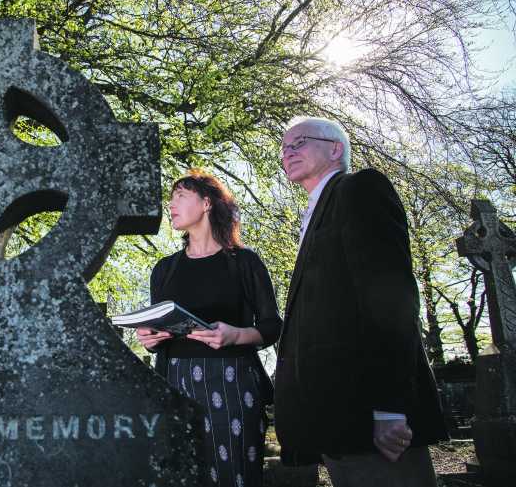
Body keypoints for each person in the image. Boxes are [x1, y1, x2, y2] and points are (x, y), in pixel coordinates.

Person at [274, 116, 448, 486]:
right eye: (284, 148)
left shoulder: (359, 189)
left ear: (335, 149)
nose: (288, 153)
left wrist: (389, 407)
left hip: (374, 421)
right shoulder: (317, 210)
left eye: (299, 142)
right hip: (339, 421)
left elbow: (391, 299)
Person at [137, 169, 282, 487]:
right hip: (175, 385)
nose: (171, 204)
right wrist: (149, 339)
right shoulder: (164, 269)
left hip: (233, 385)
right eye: (170, 198)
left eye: (180, 196)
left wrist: (237, 335)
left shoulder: (245, 262)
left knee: (236, 477)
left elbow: (272, 327)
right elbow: (156, 336)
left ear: (206, 203)